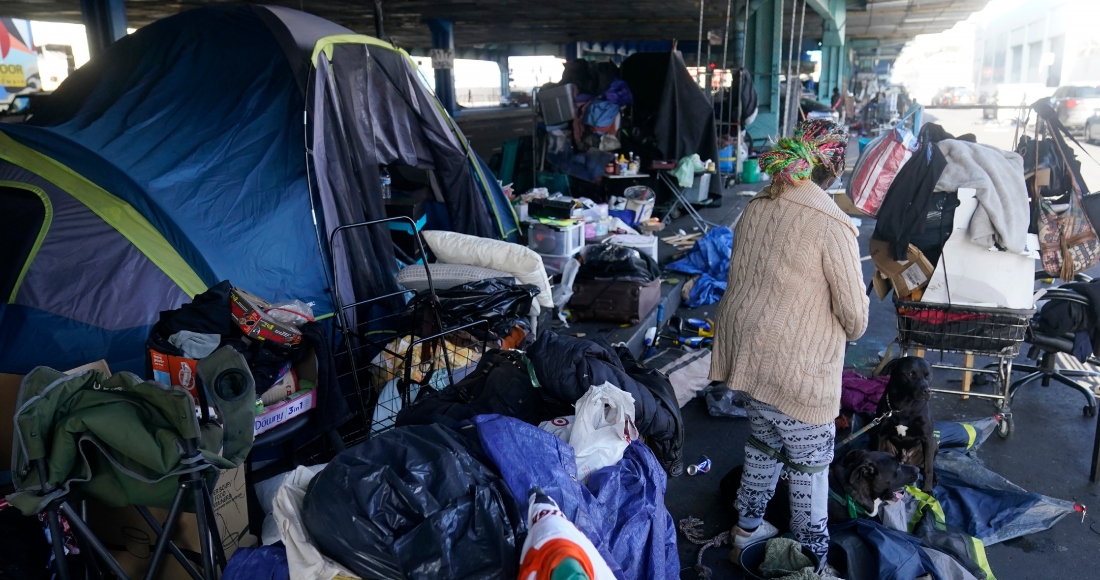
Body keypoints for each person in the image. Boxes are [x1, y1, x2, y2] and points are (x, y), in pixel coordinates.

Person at [710, 119, 868, 571]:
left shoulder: (759, 203)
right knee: (810, 466)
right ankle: (807, 559)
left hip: (748, 358)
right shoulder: (830, 221)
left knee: (764, 444)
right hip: (796, 367)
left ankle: (747, 530)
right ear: (834, 167)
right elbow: (855, 321)